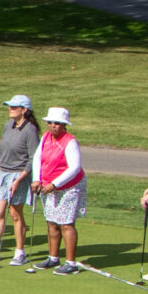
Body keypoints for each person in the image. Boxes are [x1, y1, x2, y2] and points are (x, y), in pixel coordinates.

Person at [0, 97, 39, 264]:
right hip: (3, 173)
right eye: (9, 106)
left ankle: (20, 253)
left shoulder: (30, 130)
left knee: (15, 214)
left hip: (19, 175)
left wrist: (19, 179)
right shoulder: (8, 125)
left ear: (24, 110)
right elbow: (1, 152)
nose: (10, 109)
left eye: (14, 107)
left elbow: (33, 158)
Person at [33, 107, 84, 272]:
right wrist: (36, 179)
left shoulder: (70, 141)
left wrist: (55, 184)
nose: (52, 125)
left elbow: (74, 167)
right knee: (51, 222)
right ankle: (53, 258)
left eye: (57, 123)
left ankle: (71, 263)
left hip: (69, 186)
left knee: (66, 223)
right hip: (48, 185)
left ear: (64, 125)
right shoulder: (45, 137)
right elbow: (37, 159)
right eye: (50, 122)